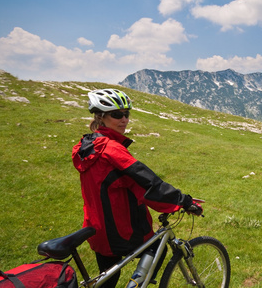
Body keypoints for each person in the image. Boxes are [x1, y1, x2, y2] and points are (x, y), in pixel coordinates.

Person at [72, 88, 202, 287]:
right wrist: (184, 201)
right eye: (117, 115)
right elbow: (150, 185)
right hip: (121, 229)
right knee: (158, 246)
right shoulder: (112, 150)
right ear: (101, 117)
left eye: (126, 114)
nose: (124, 119)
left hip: (97, 228)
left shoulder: (87, 145)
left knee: (107, 278)